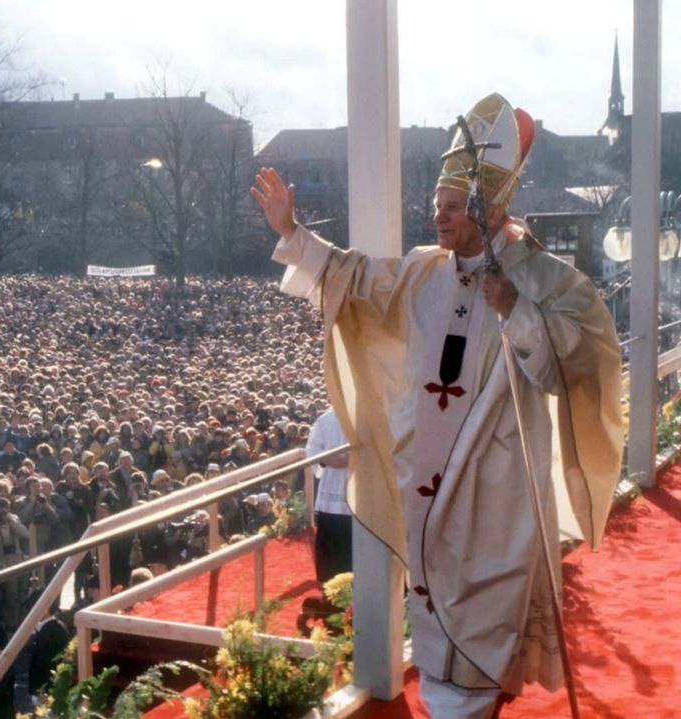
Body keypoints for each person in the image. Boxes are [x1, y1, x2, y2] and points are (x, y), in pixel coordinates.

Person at [251, 92, 622, 718]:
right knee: (436, 617)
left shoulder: (546, 279)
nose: (439, 219)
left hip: (498, 492)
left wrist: (520, 313)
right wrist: (293, 233)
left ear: (488, 206)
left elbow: (582, 367)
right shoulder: (427, 272)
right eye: (438, 207)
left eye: (452, 208)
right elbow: (355, 276)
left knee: (484, 624)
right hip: (427, 483)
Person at [305, 408, 352, 583]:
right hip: (332, 481)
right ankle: (329, 581)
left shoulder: (369, 414)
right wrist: (328, 459)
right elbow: (312, 448)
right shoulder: (325, 419)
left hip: (359, 479)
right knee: (331, 537)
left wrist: (351, 458)